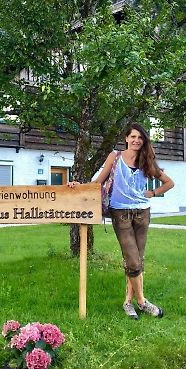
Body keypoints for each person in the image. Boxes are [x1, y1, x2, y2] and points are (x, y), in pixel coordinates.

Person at [68, 122, 174, 319]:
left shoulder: (146, 160)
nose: (136, 140)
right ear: (126, 138)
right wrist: (79, 186)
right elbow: (98, 181)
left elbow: (169, 183)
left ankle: (128, 302)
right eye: (132, 136)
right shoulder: (115, 157)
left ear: (143, 141)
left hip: (142, 213)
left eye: (140, 138)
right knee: (133, 260)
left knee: (137, 260)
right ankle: (142, 302)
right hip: (120, 213)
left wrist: (152, 193)